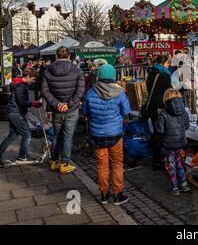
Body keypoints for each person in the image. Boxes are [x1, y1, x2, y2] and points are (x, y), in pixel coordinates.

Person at [82, 64, 131, 205]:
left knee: (102, 165)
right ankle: (117, 194)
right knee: (117, 164)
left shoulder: (90, 93)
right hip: (115, 133)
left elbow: (84, 112)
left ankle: (104, 194)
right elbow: (126, 111)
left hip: (97, 134)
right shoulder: (120, 93)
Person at [41, 46, 85, 174]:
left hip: (57, 109)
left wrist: (56, 104)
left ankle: (54, 161)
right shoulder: (77, 71)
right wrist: (69, 104)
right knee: (67, 136)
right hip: (71, 109)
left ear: (56, 55)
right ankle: (64, 163)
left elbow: (45, 91)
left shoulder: (48, 71)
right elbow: (80, 91)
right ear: (69, 56)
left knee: (57, 135)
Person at [0, 68, 42, 166]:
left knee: (12, 135)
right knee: (27, 134)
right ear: (27, 77)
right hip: (16, 113)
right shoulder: (20, 86)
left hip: (13, 112)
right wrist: (33, 103)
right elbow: (22, 102)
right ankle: (22, 157)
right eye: (33, 79)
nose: (33, 81)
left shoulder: (20, 84)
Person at [155, 89, 191, 196]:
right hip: (180, 143)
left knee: (171, 166)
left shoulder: (163, 113)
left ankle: (175, 188)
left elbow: (159, 130)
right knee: (180, 164)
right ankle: (184, 185)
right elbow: (187, 126)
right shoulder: (183, 111)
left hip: (168, 145)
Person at [145, 55, 173, 170]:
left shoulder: (151, 73)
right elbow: (170, 91)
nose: (169, 65)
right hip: (160, 107)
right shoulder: (163, 75)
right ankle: (160, 160)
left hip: (152, 106)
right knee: (160, 133)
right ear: (163, 63)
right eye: (168, 63)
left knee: (156, 132)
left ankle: (157, 159)